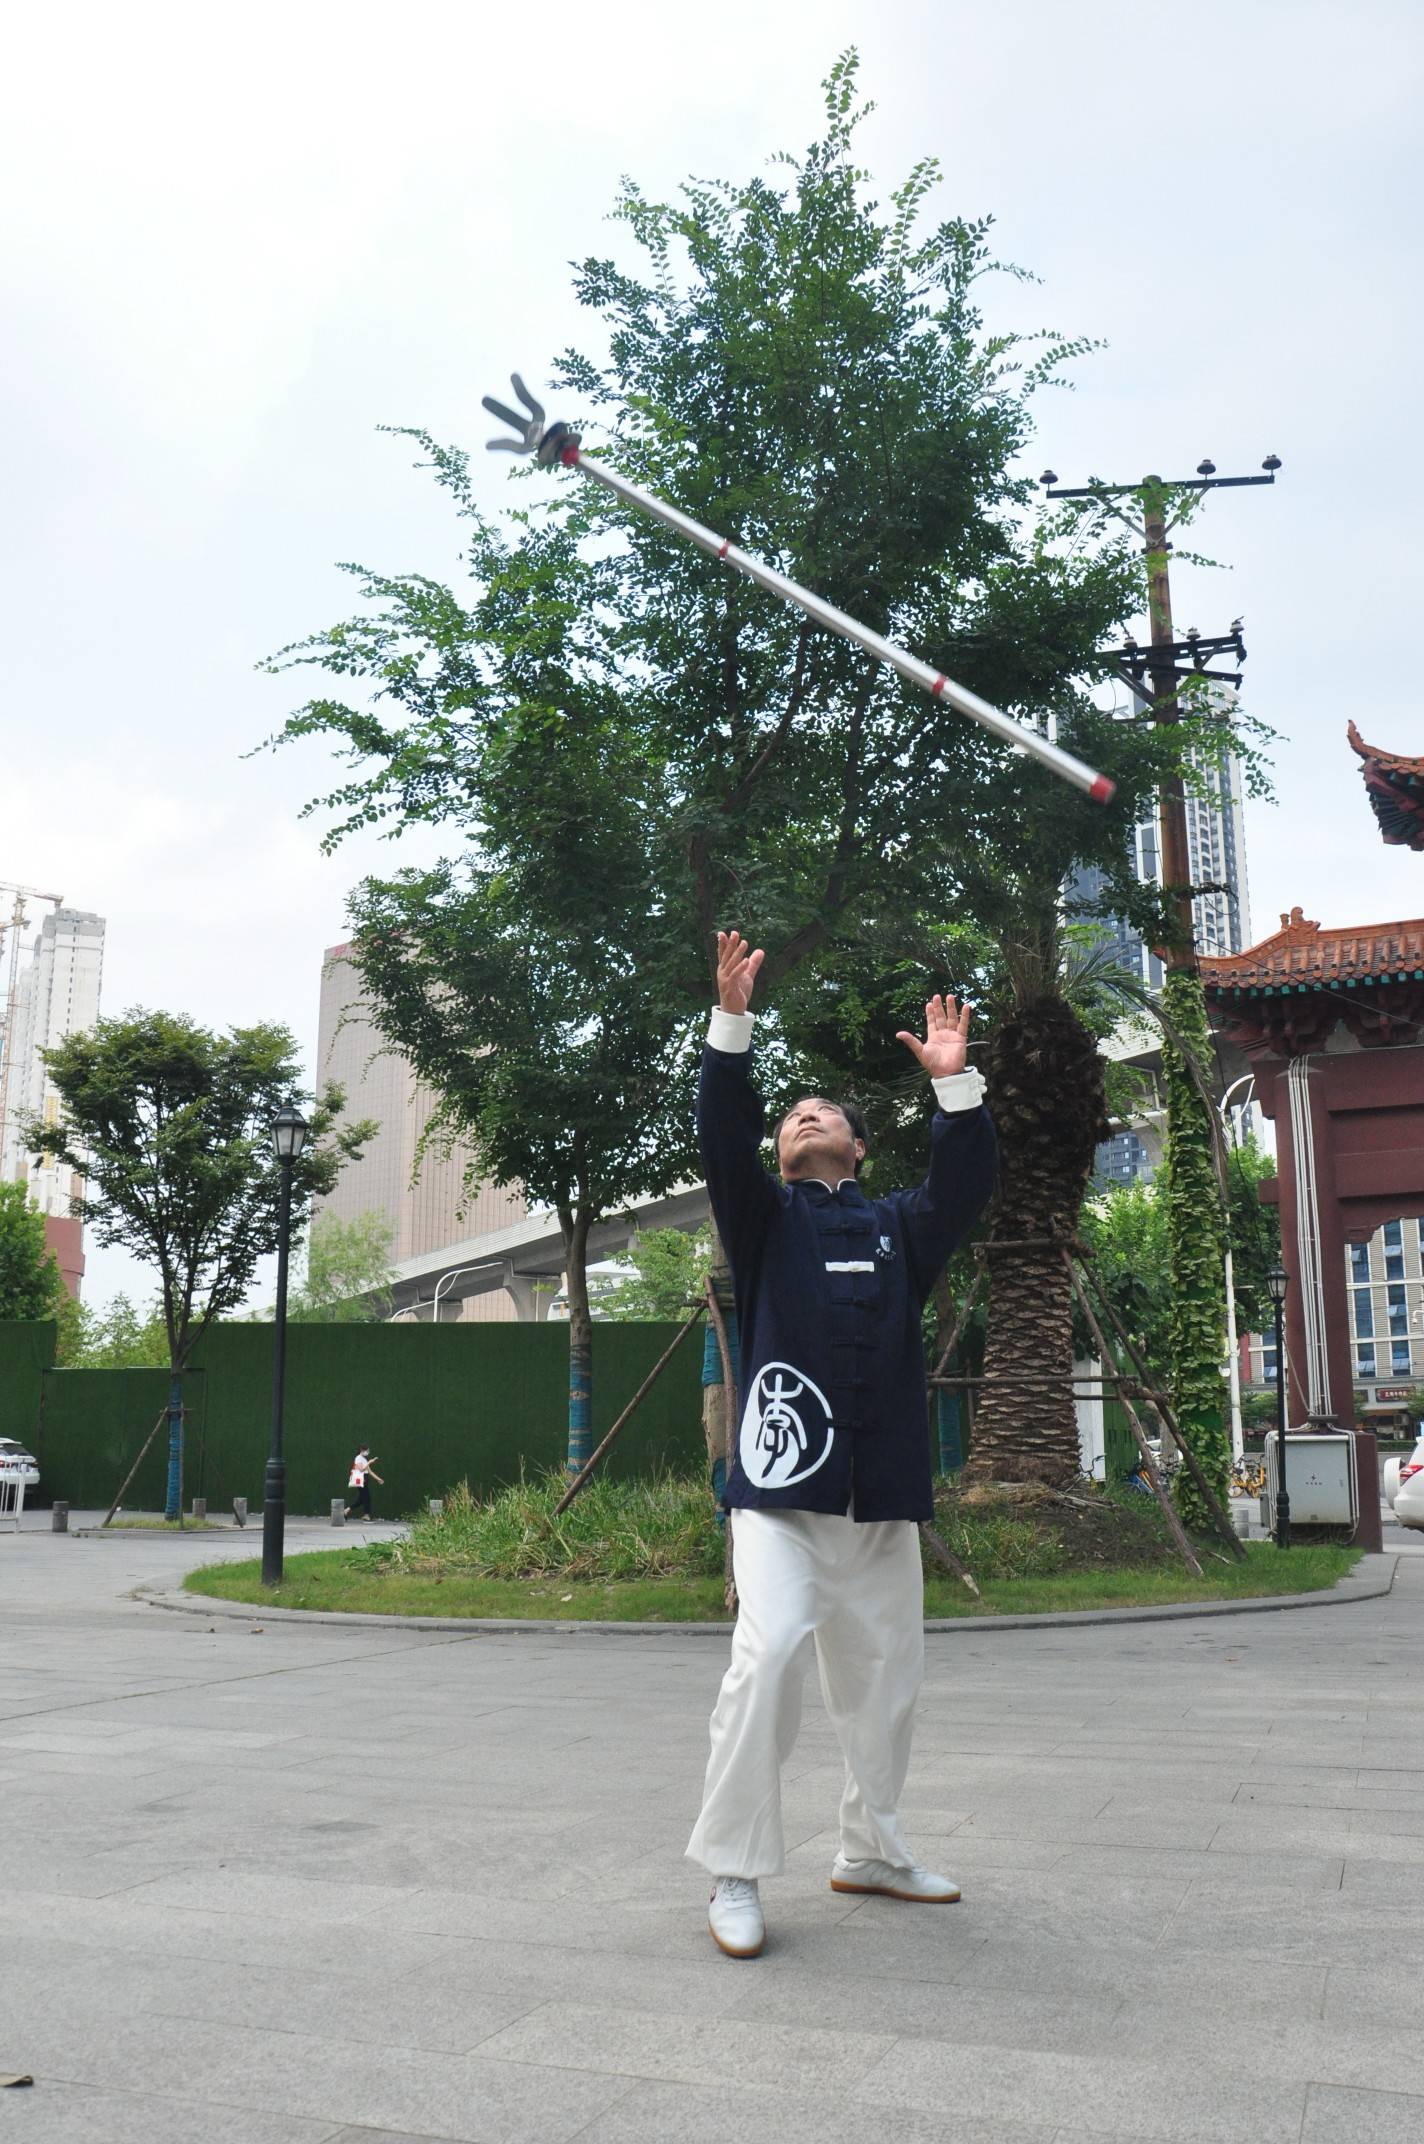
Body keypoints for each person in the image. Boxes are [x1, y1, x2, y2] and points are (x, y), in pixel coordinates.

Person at [687, 929, 998, 1959]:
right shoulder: (763, 1220)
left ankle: (868, 1848)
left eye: (820, 1114)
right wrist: (730, 1027)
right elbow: (720, 1133)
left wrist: (955, 1091)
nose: (800, 1118)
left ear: (858, 1147)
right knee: (767, 1654)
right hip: (779, 1501)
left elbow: (961, 1189)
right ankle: (734, 1866)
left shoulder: (900, 1224)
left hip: (881, 1500)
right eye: (788, 1118)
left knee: (884, 1687)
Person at [345, 1447, 383, 1521]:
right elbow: (361, 1469)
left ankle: (346, 1511)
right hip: (361, 1479)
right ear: (362, 1450)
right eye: (367, 1450)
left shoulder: (364, 1459)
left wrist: (378, 1479)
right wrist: (370, 1462)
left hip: (365, 1479)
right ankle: (366, 1515)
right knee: (366, 1498)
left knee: (362, 1499)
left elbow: (370, 1471)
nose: (368, 1452)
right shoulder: (358, 1458)